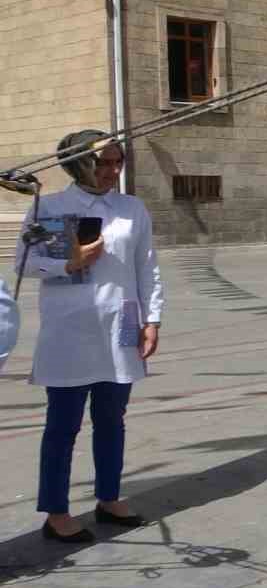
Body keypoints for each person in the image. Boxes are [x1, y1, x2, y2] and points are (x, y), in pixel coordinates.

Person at [22, 130, 163, 543]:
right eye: (102, 162)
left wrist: (152, 319)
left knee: (112, 420)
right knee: (62, 425)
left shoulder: (131, 207)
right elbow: (26, 263)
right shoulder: (52, 206)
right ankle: (56, 510)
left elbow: (147, 267)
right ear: (77, 163)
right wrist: (70, 261)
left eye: (117, 162)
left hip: (121, 322)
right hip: (69, 330)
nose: (111, 171)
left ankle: (109, 497)